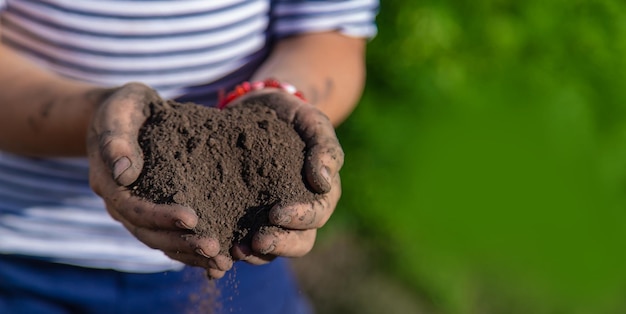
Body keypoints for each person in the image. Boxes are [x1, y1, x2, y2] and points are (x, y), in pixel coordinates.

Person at [0, 0, 378, 313]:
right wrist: (93, 118)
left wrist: (278, 100)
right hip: (23, 255)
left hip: (240, 248)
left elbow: (331, 38)